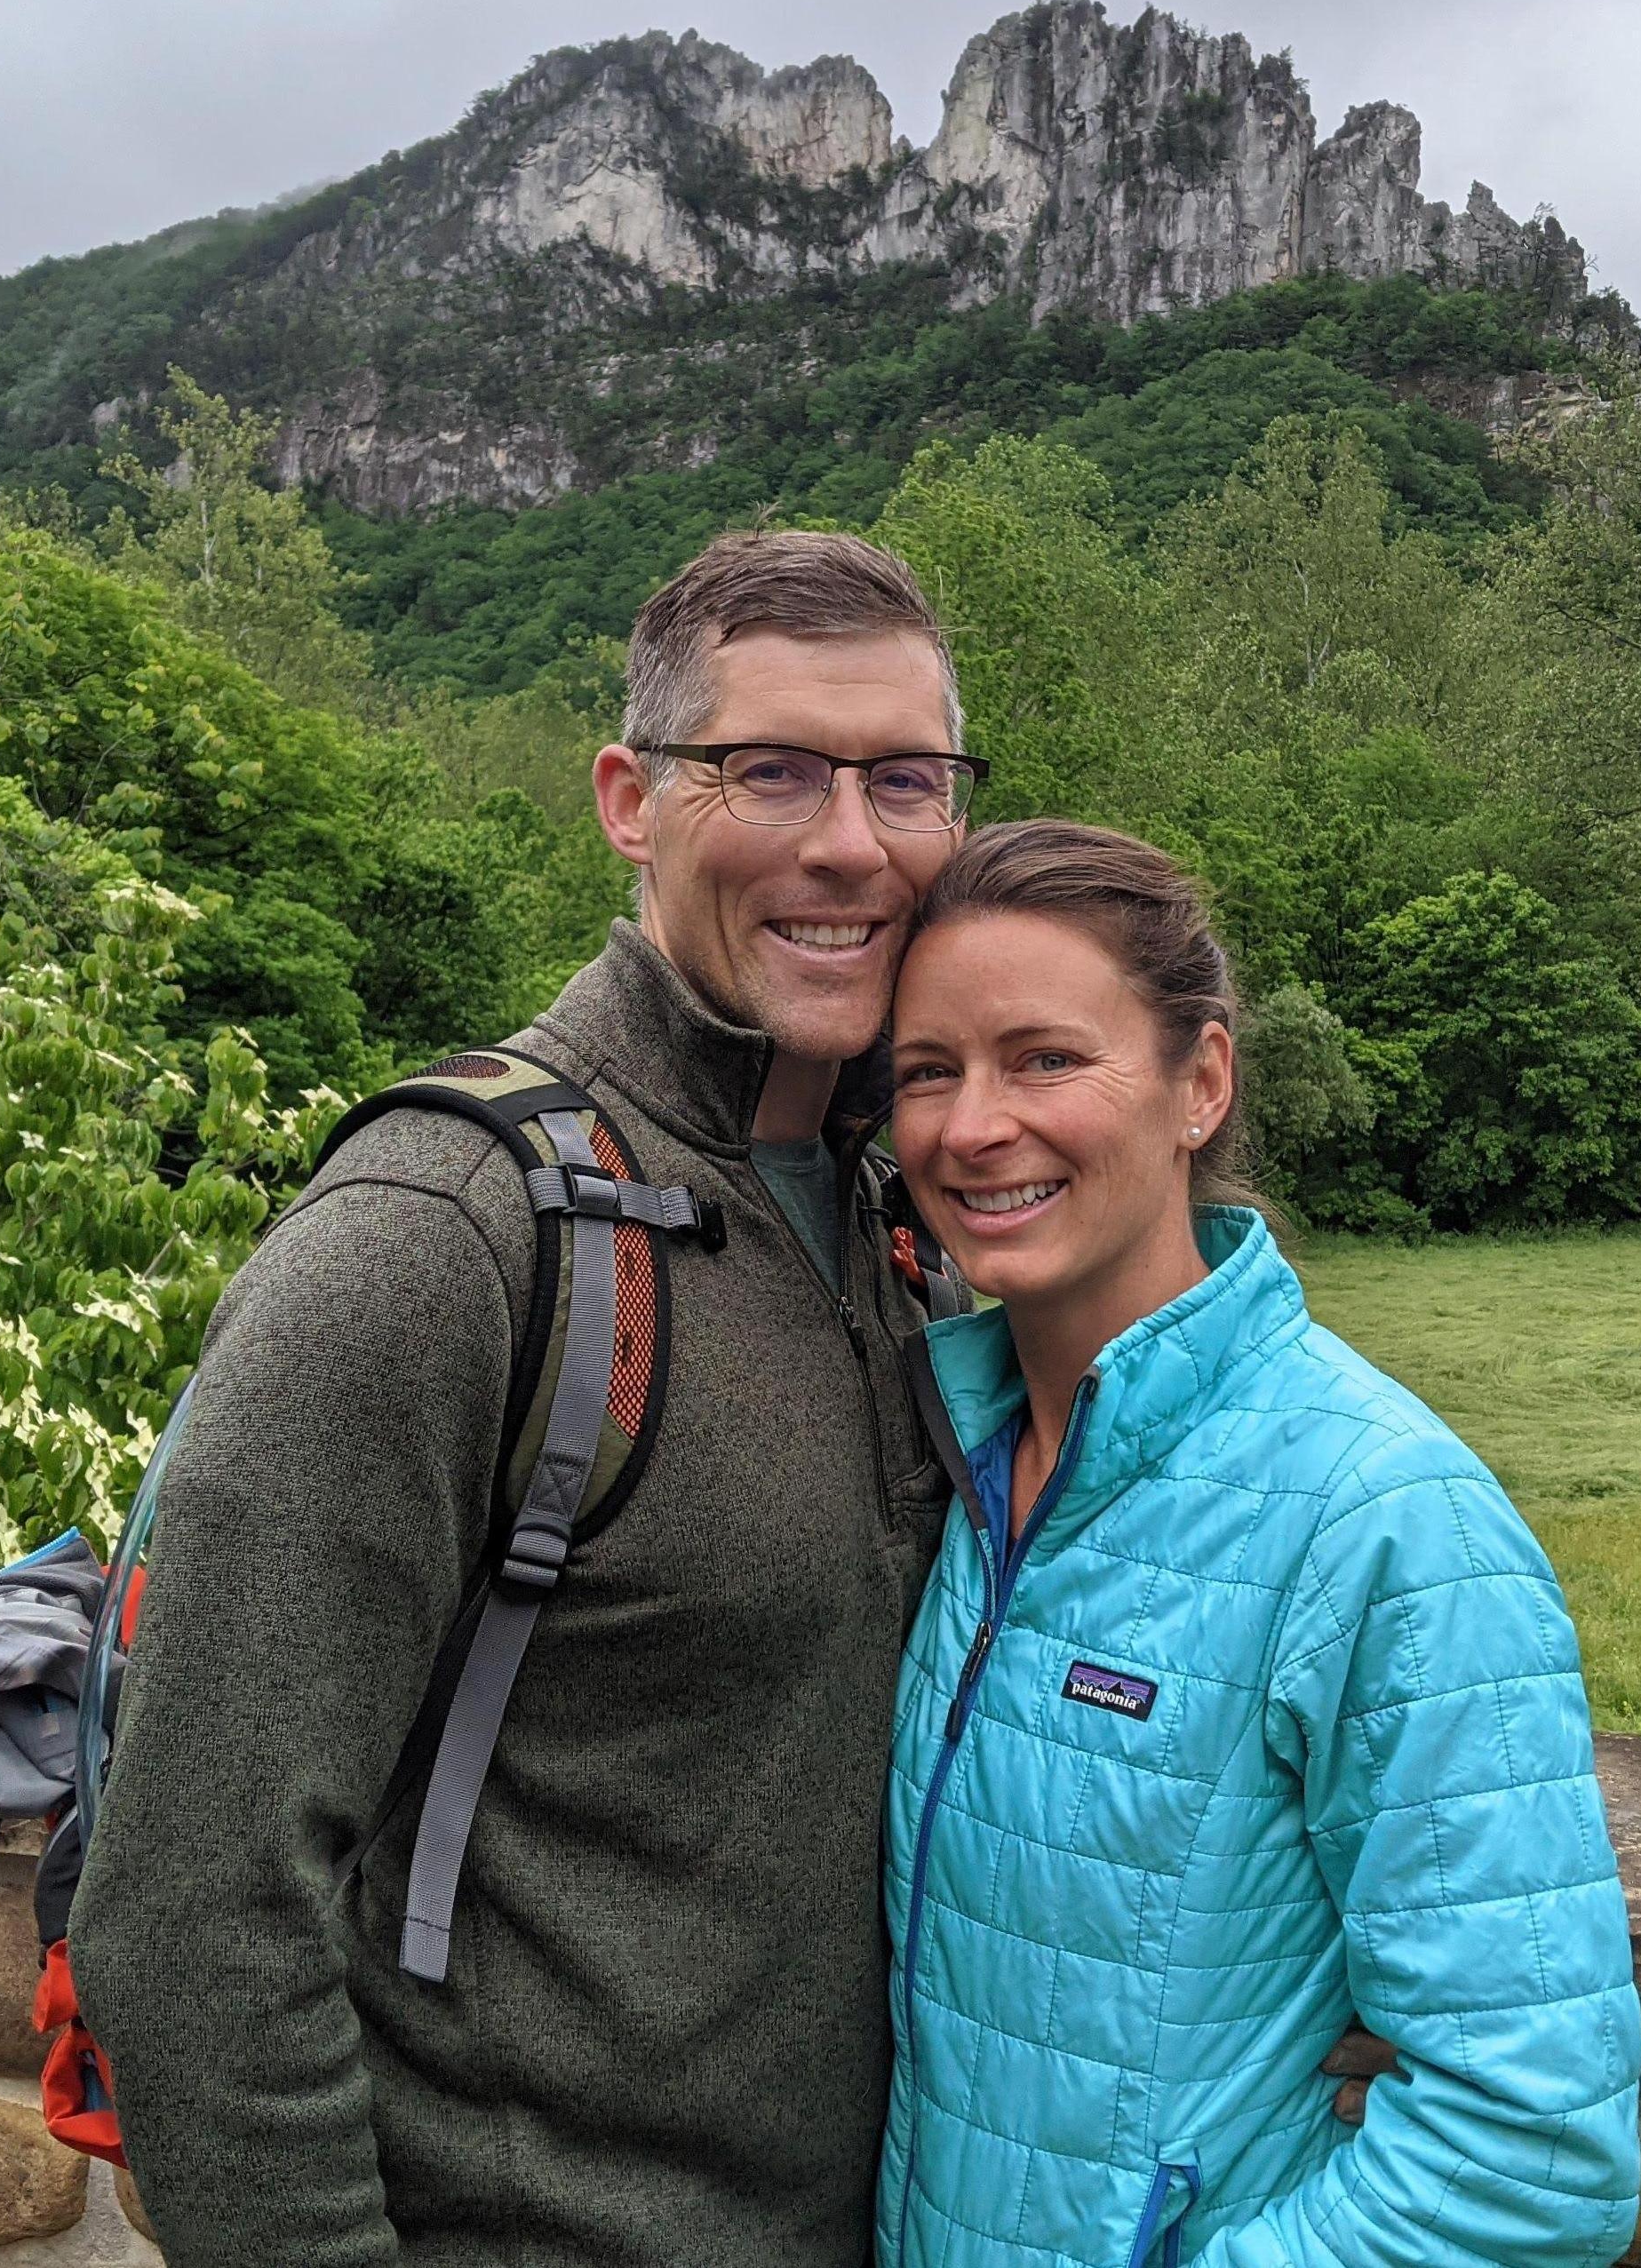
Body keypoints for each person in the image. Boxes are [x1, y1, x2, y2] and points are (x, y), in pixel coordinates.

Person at [71, 529, 982, 2267]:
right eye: (771, 770)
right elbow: (195, 1923)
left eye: (904, 780)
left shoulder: (889, 1213)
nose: (850, 842)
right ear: (630, 802)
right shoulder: (445, 1235)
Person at [879, 822, 1641, 2268]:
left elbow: (1530, 2157)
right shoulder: (952, 1457)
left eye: (1045, 1058)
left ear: (1202, 1082)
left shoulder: (1388, 1519)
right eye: (929, 1070)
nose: (973, 1125)